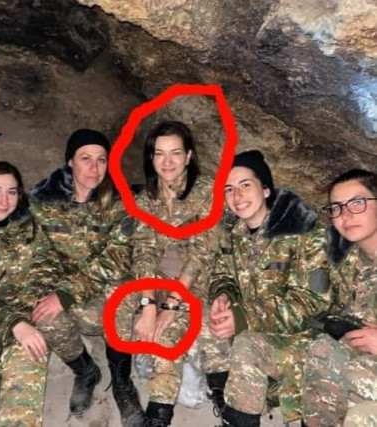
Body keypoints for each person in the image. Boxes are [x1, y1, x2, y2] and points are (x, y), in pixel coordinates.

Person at [208, 150, 331, 426]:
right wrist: (223, 295)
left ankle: (246, 410)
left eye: (245, 185)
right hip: (256, 327)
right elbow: (223, 274)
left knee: (246, 344)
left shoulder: (305, 234)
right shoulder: (235, 234)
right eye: (229, 189)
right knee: (202, 319)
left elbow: (312, 303)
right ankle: (228, 395)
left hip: (302, 338)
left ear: (265, 190)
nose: (237, 196)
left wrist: (244, 316)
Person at [0, 160, 91, 426]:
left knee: (32, 346)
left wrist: (52, 294)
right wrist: (14, 323)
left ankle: (84, 370)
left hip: (31, 306)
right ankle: (10, 406)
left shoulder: (30, 221)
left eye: (11, 192)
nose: (4, 200)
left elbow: (57, 259)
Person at [30, 129, 143, 425]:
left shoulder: (120, 201)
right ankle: (85, 371)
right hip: (70, 294)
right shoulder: (45, 202)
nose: (94, 168)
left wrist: (67, 293)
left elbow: (117, 258)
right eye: (85, 158)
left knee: (123, 292)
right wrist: (49, 292)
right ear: (70, 161)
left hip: (106, 292)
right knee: (43, 313)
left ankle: (122, 382)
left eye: (101, 159)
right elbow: (40, 256)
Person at [116, 120, 222, 426]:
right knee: (116, 307)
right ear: (151, 158)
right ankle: (121, 381)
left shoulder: (206, 192)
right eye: (159, 153)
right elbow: (144, 251)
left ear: (188, 156)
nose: (167, 162)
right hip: (156, 279)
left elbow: (202, 252)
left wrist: (171, 305)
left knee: (167, 336)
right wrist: (148, 304)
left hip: (192, 283)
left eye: (175, 153)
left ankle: (158, 415)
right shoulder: (145, 199)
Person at [302, 168, 377, 426]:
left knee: (357, 378)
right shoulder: (351, 263)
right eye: (336, 207)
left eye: (357, 203)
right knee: (321, 350)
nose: (345, 215)